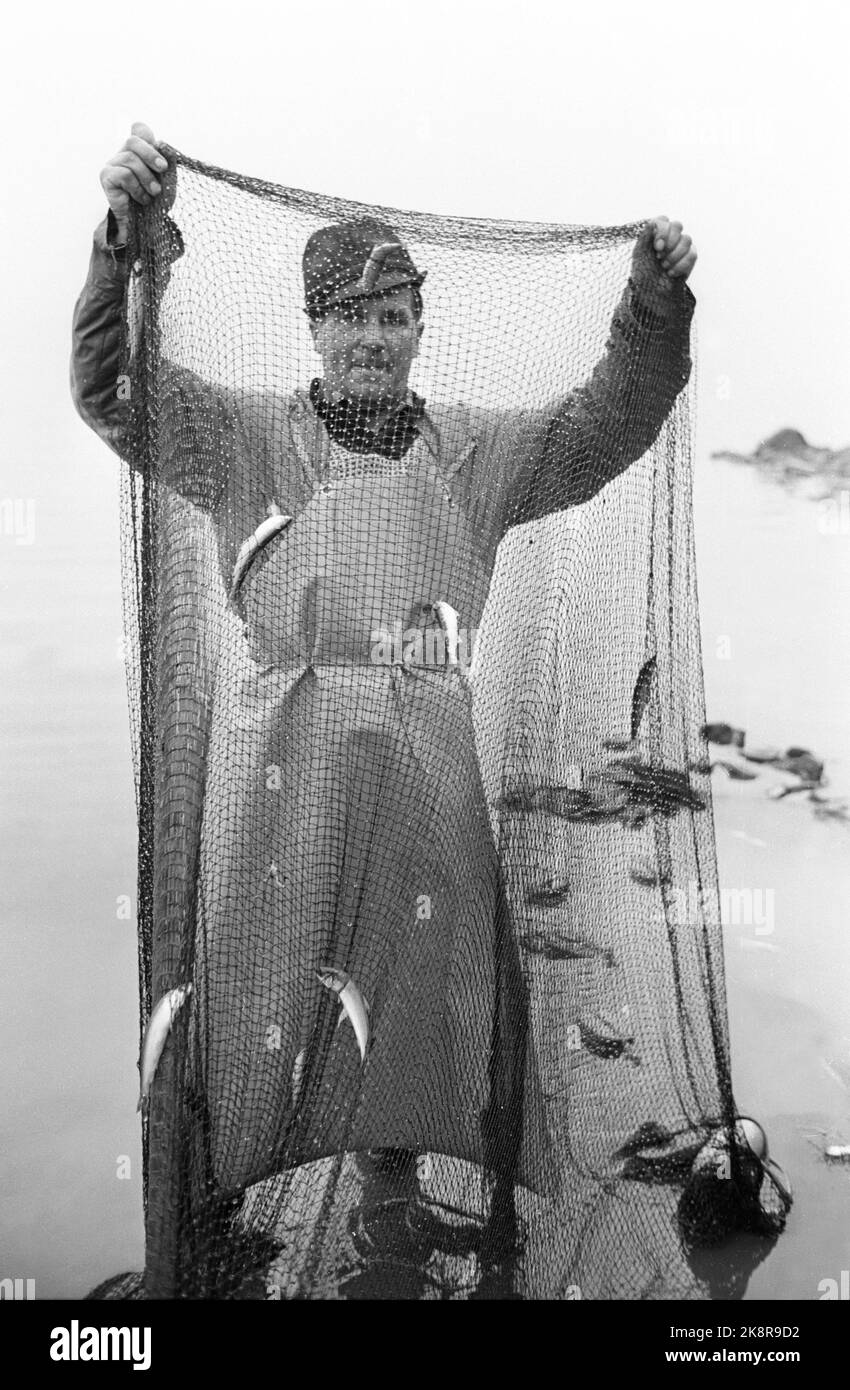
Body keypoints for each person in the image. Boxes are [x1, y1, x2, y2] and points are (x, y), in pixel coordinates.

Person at [72, 123, 698, 1294]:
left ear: (419, 330)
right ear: (311, 329)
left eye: (393, 315)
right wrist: (119, 254)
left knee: (412, 1004)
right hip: (279, 776)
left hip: (425, 770)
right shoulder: (246, 439)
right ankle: (222, 1213)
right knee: (259, 992)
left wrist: (652, 312)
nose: (371, 337)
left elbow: (606, 424)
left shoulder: (477, 455)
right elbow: (112, 386)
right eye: (348, 316)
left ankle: (389, 1204)